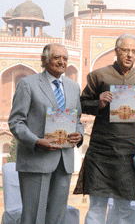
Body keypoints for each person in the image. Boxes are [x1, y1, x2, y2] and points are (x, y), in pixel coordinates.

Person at [78, 33, 135, 224]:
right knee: (97, 206)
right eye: (125, 50)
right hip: (102, 149)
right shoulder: (99, 76)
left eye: (134, 51)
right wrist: (99, 102)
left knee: (124, 208)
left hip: (129, 149)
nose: (129, 55)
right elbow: (81, 104)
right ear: (116, 51)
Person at [8, 43, 84, 223]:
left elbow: (78, 120)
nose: (62, 62)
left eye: (65, 58)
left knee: (57, 217)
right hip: (37, 159)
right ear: (44, 59)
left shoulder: (73, 87)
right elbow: (16, 122)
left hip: (64, 160)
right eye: (57, 57)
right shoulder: (28, 84)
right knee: (33, 217)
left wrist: (79, 134)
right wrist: (36, 141)